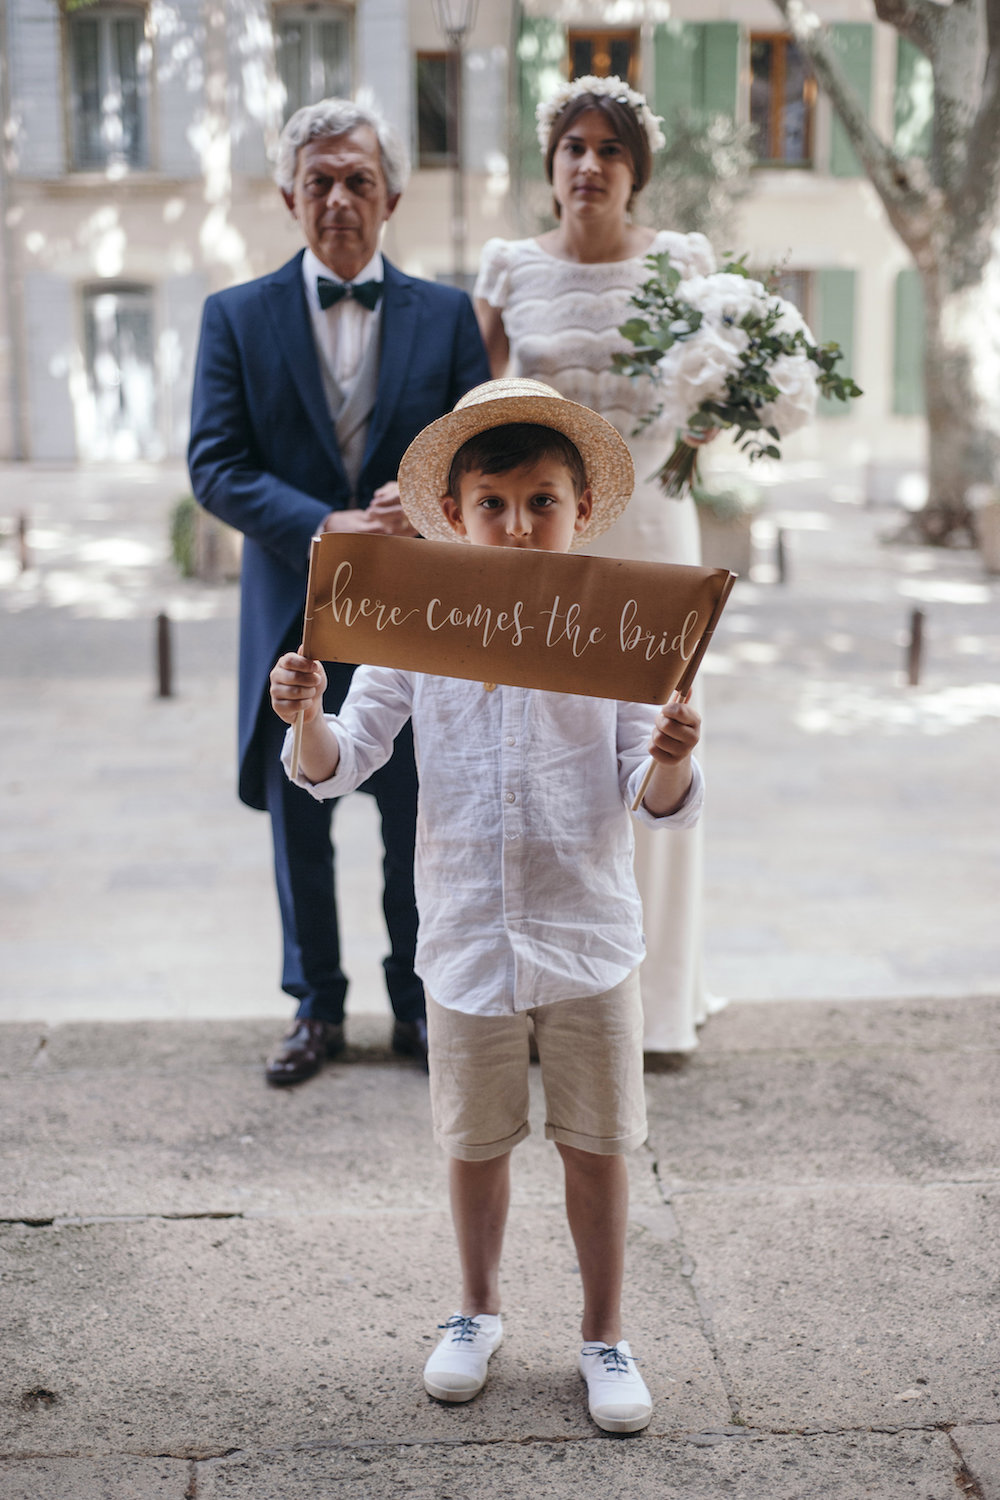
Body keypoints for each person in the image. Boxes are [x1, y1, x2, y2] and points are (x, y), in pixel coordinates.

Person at [268, 378, 704, 1432]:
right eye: (494, 503)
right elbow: (339, 765)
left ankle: (605, 1331)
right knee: (473, 1141)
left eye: (540, 502)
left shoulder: (613, 636)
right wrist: (310, 716)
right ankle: (475, 1309)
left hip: (587, 933)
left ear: (578, 511)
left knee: (597, 1142)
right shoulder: (417, 624)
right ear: (454, 513)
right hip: (463, 931)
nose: (516, 525)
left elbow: (646, 802)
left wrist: (669, 760)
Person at [188, 98, 490, 1086]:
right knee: (300, 821)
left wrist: (438, 497)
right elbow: (216, 466)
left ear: (391, 194)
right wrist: (325, 523)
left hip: (414, 623)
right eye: (318, 180)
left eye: (357, 179)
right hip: (294, 621)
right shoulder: (233, 317)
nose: (338, 198)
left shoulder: (448, 318)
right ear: (288, 196)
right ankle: (316, 1009)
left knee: (414, 820)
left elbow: (479, 464)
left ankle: (414, 1005)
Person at [474, 77, 720, 1057]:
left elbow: (714, 390)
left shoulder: (684, 265)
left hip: (654, 529)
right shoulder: (507, 271)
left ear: (635, 172)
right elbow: (473, 416)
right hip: (543, 543)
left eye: (609, 149)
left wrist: (721, 413)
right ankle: (549, 991)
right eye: (572, 147)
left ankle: (656, 1004)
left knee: (661, 748)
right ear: (550, 170)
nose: (589, 164)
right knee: (547, 761)